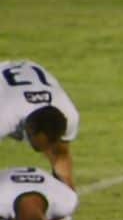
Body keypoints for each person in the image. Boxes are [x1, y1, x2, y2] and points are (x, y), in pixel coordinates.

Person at [0, 60, 80, 189]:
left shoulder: (69, 116)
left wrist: (67, 195)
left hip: (28, 78)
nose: (45, 150)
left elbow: (61, 156)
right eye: (40, 145)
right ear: (29, 130)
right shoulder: (5, 117)